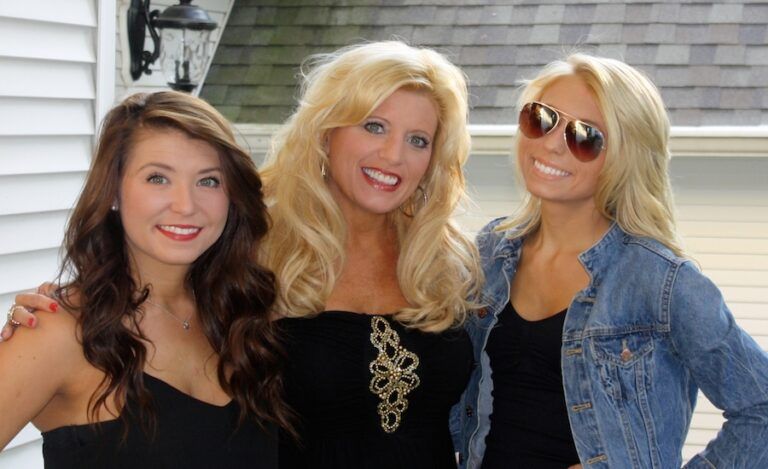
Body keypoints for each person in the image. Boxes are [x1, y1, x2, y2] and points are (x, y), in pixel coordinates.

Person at [4, 41, 483, 469]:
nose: (393, 155)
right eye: (374, 126)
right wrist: (52, 317)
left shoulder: (450, 262)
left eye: (418, 140)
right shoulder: (256, 252)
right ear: (325, 132)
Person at [451, 54, 768, 468]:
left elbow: (760, 409)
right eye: (541, 118)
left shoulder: (661, 280)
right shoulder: (492, 250)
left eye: (584, 136)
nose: (551, 143)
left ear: (625, 156)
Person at [0, 91, 291, 468]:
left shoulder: (245, 320)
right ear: (114, 191)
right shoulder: (58, 329)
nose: (186, 205)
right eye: (158, 178)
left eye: (209, 181)